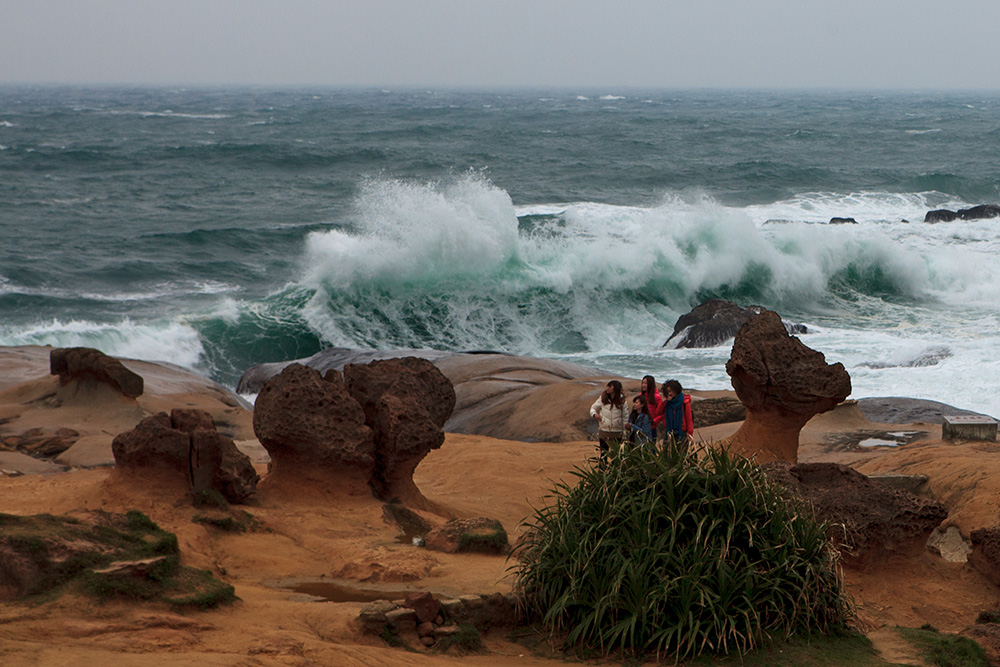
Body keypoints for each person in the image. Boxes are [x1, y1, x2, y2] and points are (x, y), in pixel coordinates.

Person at [590, 380, 627, 459]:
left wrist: (624, 431)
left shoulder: (622, 401)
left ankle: (614, 470)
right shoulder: (603, 398)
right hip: (604, 430)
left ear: (615, 388)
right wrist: (595, 415)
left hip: (617, 432)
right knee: (603, 454)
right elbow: (593, 408)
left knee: (615, 455)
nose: (608, 388)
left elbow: (625, 416)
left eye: (610, 386)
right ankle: (602, 470)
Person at [661, 379, 694, 452]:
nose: (670, 393)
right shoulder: (667, 402)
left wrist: (690, 434)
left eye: (671, 391)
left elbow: (689, 419)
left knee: (681, 452)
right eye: (668, 391)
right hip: (669, 430)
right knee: (667, 453)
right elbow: (658, 412)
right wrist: (665, 401)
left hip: (681, 431)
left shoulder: (685, 401)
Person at [641, 375, 664, 444]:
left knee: (651, 448)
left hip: (651, 427)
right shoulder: (641, 396)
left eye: (646, 383)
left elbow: (662, 412)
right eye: (643, 383)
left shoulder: (656, 397)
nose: (643, 385)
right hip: (640, 426)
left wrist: (655, 421)